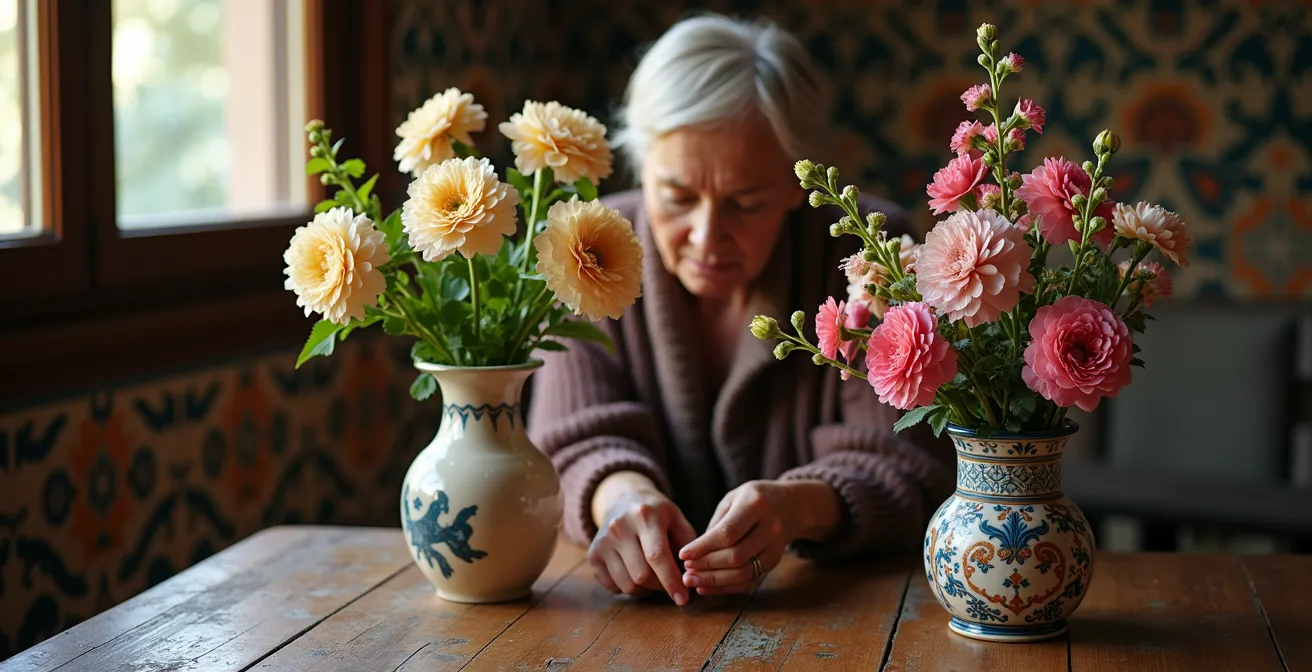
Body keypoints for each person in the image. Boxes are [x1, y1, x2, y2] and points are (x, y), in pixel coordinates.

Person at [527, 14, 951, 607]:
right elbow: (570, 443)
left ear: (794, 183)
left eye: (745, 202)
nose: (706, 236)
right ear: (641, 168)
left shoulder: (870, 257)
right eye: (676, 197)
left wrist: (798, 507)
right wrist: (622, 498)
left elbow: (907, 467)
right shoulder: (584, 250)